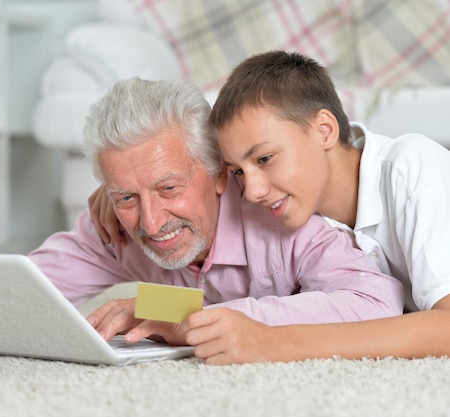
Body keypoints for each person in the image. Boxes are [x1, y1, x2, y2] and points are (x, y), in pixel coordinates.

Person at [91, 51, 450, 364]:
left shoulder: (412, 168)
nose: (251, 191)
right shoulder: (296, 210)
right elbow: (236, 292)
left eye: (264, 158)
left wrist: (276, 343)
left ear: (324, 129)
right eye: (237, 172)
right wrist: (122, 193)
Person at [29, 76, 403, 356]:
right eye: (126, 196)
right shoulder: (114, 224)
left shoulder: (283, 213)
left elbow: (376, 303)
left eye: (169, 189)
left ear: (220, 173)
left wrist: (187, 317)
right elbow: (18, 294)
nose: (152, 223)